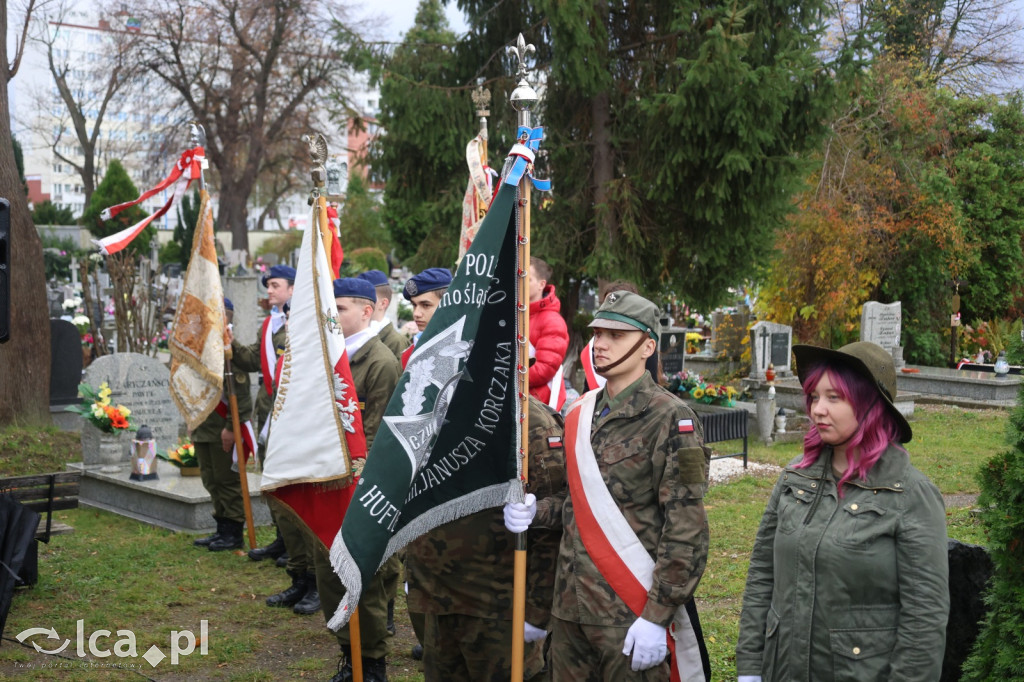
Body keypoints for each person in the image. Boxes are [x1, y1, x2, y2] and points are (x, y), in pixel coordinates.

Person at [505, 291, 711, 681]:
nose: (600, 344)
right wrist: (537, 511)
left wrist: (656, 616)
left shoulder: (671, 418)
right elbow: (575, 500)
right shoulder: (579, 412)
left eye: (615, 335)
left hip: (628, 609)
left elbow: (686, 528)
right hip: (570, 608)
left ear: (647, 345)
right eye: (597, 333)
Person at [735, 341, 949, 682]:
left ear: (871, 404)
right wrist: (749, 668)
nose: (818, 409)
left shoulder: (910, 495)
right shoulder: (795, 476)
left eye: (834, 398)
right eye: (815, 397)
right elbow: (763, 575)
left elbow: (924, 619)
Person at [407, 396, 565, 681]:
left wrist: (538, 610)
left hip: (500, 608)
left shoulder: (529, 420)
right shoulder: (436, 406)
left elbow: (551, 523)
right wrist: (413, 565)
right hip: (438, 595)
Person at [317, 277, 403, 682]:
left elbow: (375, 436)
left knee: (361, 582)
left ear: (367, 311)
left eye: (343, 307)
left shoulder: (380, 361)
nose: (333, 314)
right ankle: (349, 655)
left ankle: (371, 664)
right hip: (326, 481)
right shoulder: (329, 355)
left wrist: (352, 485)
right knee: (329, 578)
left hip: (357, 489)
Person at [231, 265, 319, 616]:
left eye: (276, 285)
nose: (270, 290)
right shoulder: (272, 326)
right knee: (281, 498)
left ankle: (314, 580)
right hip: (273, 421)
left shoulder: (311, 334)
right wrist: (229, 344)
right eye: (267, 285)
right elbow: (256, 360)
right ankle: (297, 573)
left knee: (305, 506)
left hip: (301, 429)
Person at [191, 297, 253, 552]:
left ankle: (234, 532)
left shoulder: (230, 352)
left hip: (223, 427)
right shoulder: (200, 348)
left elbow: (241, 395)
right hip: (204, 425)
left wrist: (231, 427)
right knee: (211, 480)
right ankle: (221, 529)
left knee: (227, 481)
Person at [527, 257, 569, 404]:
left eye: (527, 279)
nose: (520, 282)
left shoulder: (553, 321)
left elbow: (545, 368)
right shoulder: (513, 316)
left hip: (537, 405)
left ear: (541, 284)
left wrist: (507, 378)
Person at [400, 267, 452, 369]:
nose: (416, 314)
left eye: (426, 305)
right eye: (414, 305)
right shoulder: (408, 354)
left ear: (447, 303)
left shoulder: (462, 349)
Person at [356, 269, 408, 360]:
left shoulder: (396, 342)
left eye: (365, 298)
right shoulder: (357, 335)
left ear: (383, 303)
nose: (358, 304)